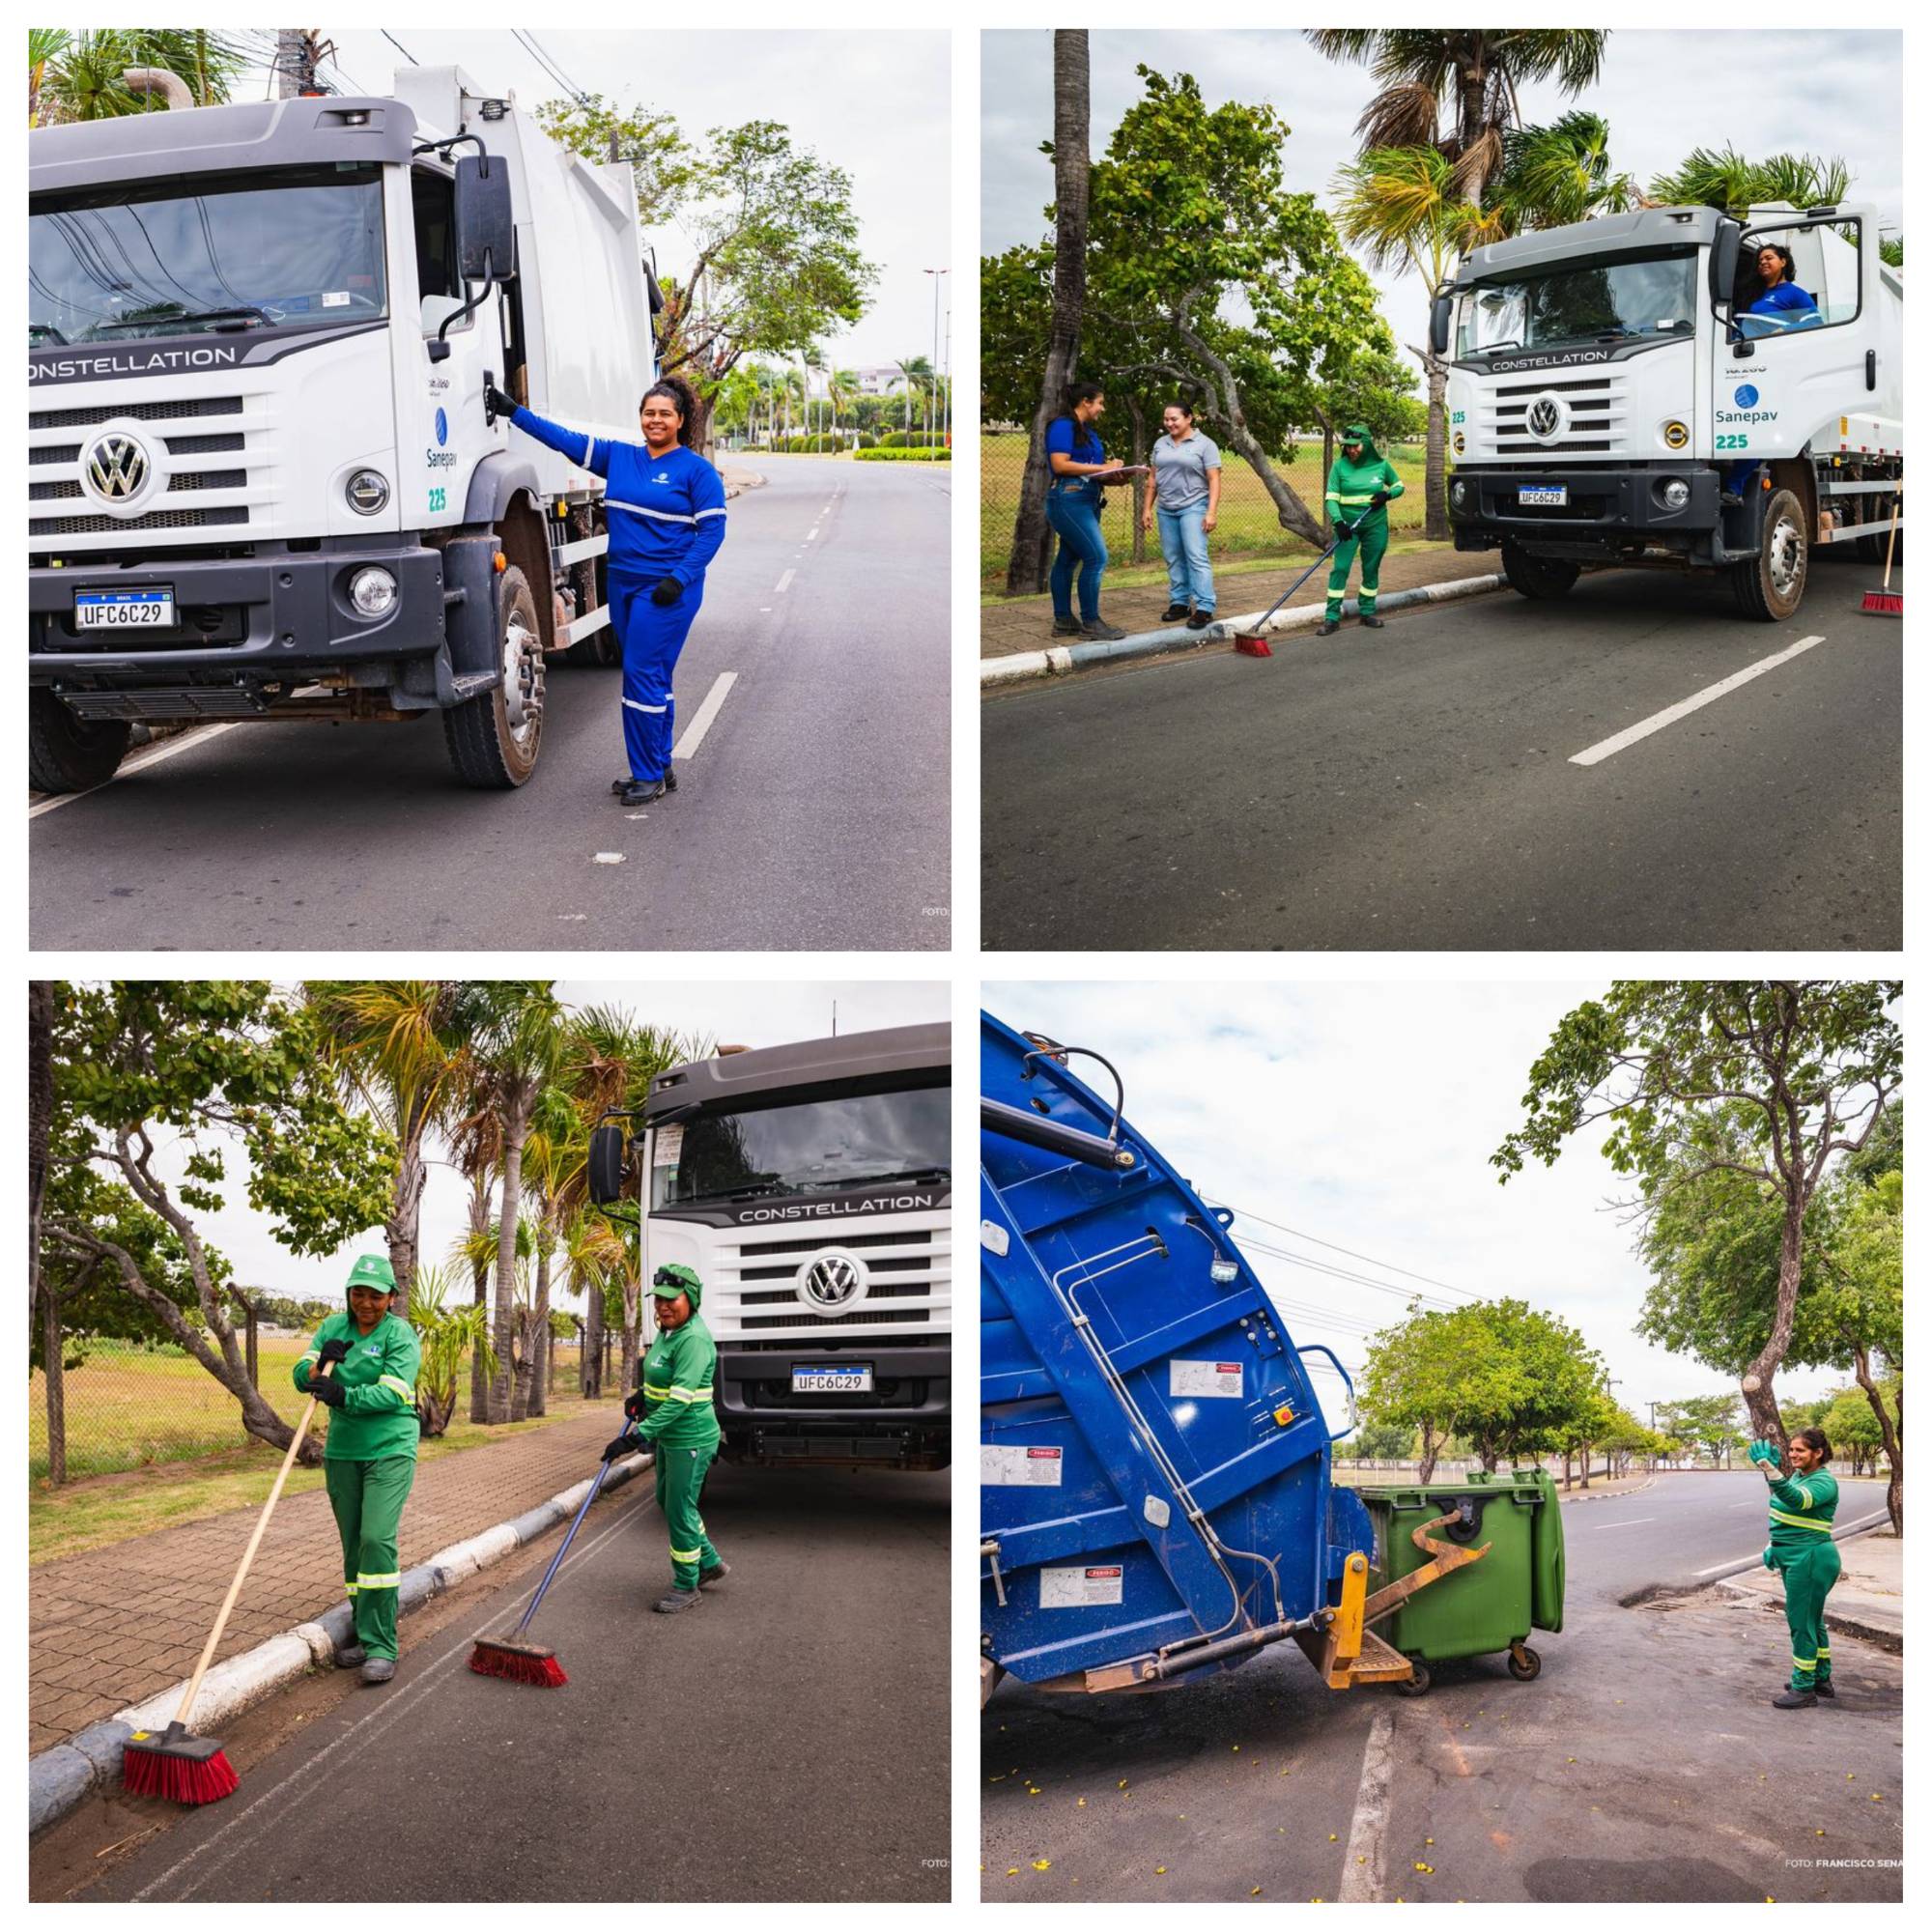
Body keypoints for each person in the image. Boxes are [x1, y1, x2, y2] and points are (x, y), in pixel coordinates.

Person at [484, 374, 726, 807]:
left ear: (681, 420)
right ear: (640, 418)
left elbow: (712, 533)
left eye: (664, 414)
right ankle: (661, 762)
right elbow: (563, 440)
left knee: (639, 677)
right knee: (655, 678)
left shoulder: (697, 472)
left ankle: (648, 774)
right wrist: (513, 413)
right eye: (649, 413)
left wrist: (681, 577)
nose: (656, 420)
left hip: (667, 590)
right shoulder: (619, 458)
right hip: (623, 584)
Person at [294, 1255, 420, 1685]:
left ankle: (383, 1645)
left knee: (376, 1539)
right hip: (344, 1450)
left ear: (391, 1297)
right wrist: (316, 1367)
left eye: (376, 1295)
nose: (366, 1302)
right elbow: (301, 1373)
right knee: (353, 1544)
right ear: (349, 1293)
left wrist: (342, 1394)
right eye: (358, 1293)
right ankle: (365, 1634)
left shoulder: (400, 1334)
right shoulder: (333, 1328)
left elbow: (393, 1392)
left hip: (390, 1447)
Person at [603, 1263, 728, 1614]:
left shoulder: (693, 1339)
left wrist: (637, 1435)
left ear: (692, 1299)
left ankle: (687, 1584)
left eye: (672, 1299)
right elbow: (662, 1376)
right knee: (666, 1499)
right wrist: (643, 1395)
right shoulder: (668, 1331)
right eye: (659, 1299)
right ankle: (710, 1561)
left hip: (691, 1437)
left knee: (679, 1509)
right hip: (671, 1438)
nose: (663, 1306)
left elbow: (680, 1399)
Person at [1747, 1426, 1840, 1709]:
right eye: (1791, 1450)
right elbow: (1782, 1507)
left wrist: (1769, 1470)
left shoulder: (1824, 1482)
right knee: (1812, 1620)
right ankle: (1820, 1679)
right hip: (1795, 1556)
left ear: (1818, 1453)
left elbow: (1797, 1500)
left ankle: (1803, 1689)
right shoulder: (1800, 1476)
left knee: (1800, 1623)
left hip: (1810, 1558)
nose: (1793, 1454)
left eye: (1800, 1450)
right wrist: (1773, 1545)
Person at [1043, 382, 1125, 641]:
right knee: (1097, 558)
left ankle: (1064, 621)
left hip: (1088, 498)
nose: (1102, 408)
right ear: (1086, 402)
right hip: (1069, 499)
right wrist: (1102, 467)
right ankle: (1091, 623)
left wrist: (1114, 475)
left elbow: (1090, 469)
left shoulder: (1088, 432)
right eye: (1099, 402)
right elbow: (1060, 464)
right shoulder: (1062, 426)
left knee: (1068, 560)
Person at [1141, 401, 1222, 629]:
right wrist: (1147, 508)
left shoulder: (1205, 445)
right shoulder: (1160, 443)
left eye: (1174, 419)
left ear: (1189, 418)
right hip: (1166, 508)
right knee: (1173, 556)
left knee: (1196, 556)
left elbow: (1214, 479)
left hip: (1194, 506)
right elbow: (1153, 479)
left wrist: (1211, 512)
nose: (1169, 423)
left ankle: (1205, 606)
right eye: (1166, 419)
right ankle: (1180, 603)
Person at [1321, 423, 1406, 637]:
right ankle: (1331, 618)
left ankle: (1367, 612)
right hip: (1348, 527)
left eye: (1356, 446)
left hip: (1375, 525)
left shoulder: (1382, 466)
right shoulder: (1339, 467)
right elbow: (1331, 498)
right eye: (1348, 446)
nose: (1351, 450)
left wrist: (1387, 495)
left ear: (1366, 444)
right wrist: (1339, 522)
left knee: (1371, 567)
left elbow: (1399, 486)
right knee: (1340, 568)